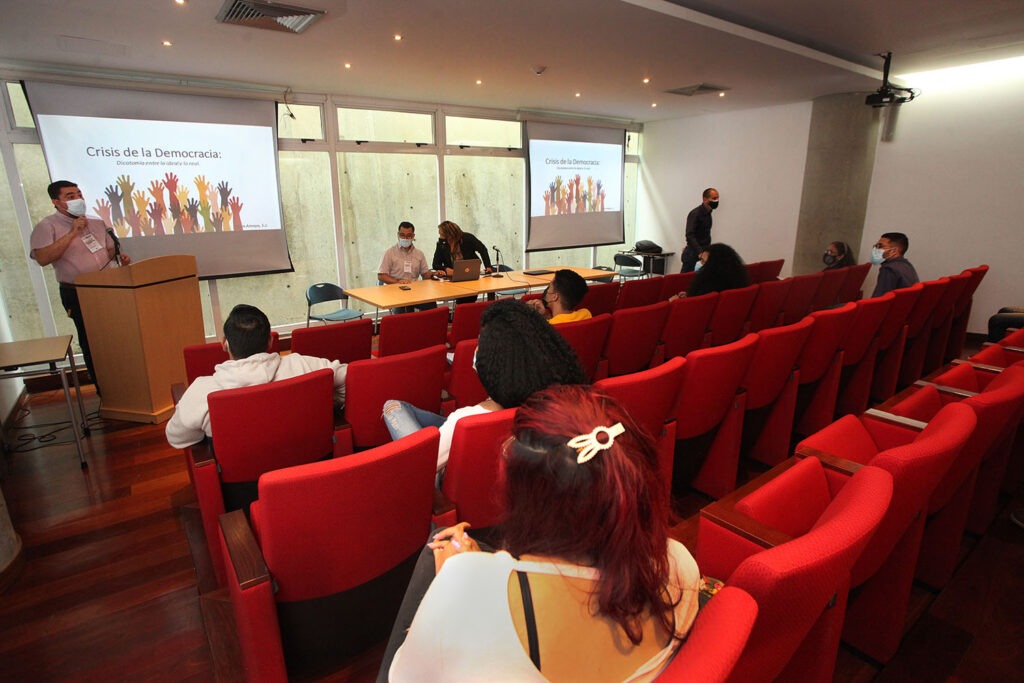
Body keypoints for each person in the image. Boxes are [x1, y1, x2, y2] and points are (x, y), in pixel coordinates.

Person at [384, 385, 701, 682]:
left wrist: (461, 577)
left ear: (526, 500)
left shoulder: (464, 583)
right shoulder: (679, 564)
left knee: (438, 545)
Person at [382, 298, 586, 473]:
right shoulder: (558, 404)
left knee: (394, 407)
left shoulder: (465, 420)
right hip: (491, 460)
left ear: (496, 360)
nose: (477, 349)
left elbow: (421, 467)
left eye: (482, 344)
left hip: (442, 479)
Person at [165, 304, 347, 449]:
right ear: (270, 340)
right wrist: (326, 402)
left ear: (224, 344)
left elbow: (177, 438)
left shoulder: (202, 392)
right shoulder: (306, 366)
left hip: (241, 482)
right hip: (312, 462)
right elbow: (351, 380)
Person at [30, 180, 131, 393]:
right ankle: (106, 391)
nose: (78, 199)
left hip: (108, 289)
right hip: (77, 293)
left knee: (117, 337)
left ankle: (126, 384)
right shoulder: (47, 226)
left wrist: (120, 258)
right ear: (56, 202)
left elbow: (109, 252)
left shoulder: (96, 222)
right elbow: (42, 258)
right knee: (92, 341)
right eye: (70, 196)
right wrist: (72, 233)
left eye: (78, 194)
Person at [376, 221, 437, 313]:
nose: (405, 238)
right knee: (401, 309)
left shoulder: (419, 254)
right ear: (398, 235)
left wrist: (434, 274)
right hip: (395, 290)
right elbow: (381, 276)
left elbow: (425, 274)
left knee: (430, 303)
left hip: (415, 290)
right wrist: (398, 282)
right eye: (402, 235)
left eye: (408, 235)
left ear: (413, 236)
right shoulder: (389, 253)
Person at [669, 242, 751, 300]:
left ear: (713, 266)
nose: (699, 263)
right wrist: (691, 296)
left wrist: (674, 302)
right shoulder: (734, 286)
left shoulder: (706, 288)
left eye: (703, 261)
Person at [526, 269, 592, 324]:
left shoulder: (548, 328)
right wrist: (547, 315)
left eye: (549, 286)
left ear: (555, 297)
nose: (547, 290)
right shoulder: (586, 315)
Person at [680, 187, 718, 273]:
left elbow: (705, 235)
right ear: (705, 199)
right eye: (714, 198)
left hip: (703, 253)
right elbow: (690, 234)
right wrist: (700, 252)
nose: (716, 201)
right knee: (685, 279)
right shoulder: (695, 214)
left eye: (717, 198)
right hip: (693, 254)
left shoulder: (708, 214)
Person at [870, 231, 919, 297]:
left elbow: (879, 299)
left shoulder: (889, 269)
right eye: (876, 246)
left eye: (880, 246)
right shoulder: (907, 265)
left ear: (894, 251)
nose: (875, 249)